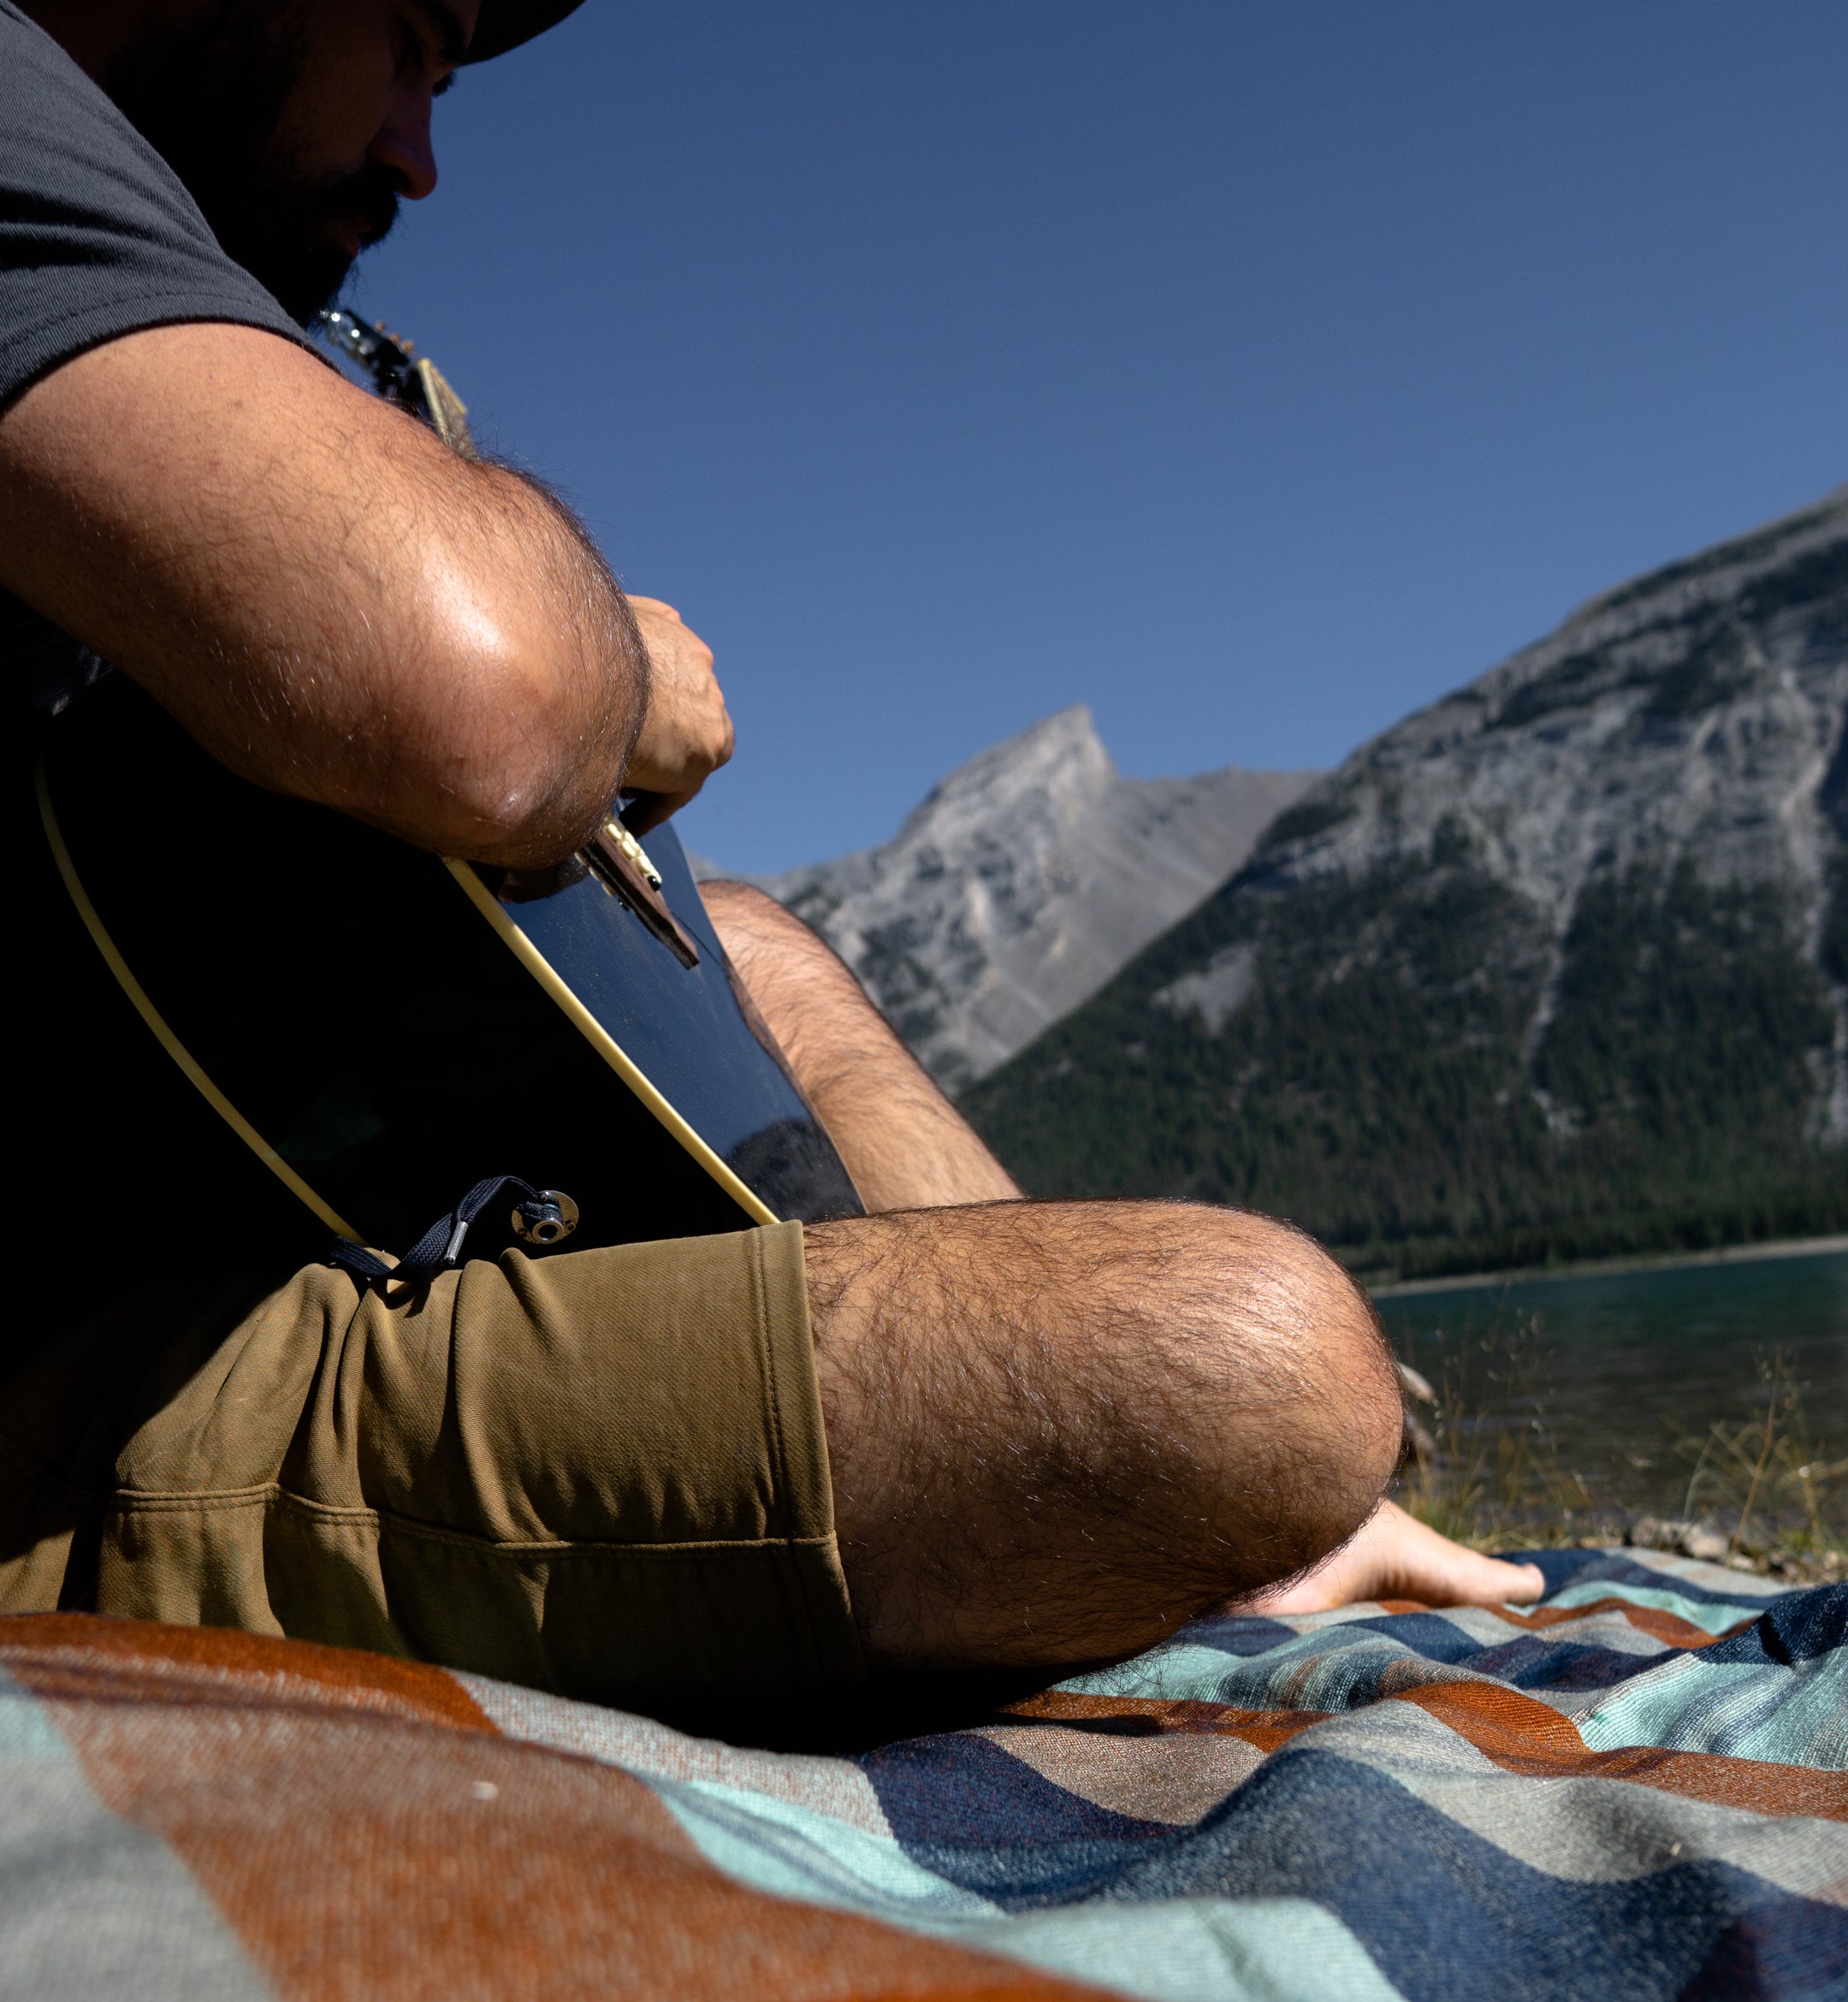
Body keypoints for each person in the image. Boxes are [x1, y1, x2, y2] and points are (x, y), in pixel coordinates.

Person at [0, 0, 1539, 1715]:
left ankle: (1146, 1490)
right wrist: (630, 679)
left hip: (236, 1210)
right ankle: (1173, 1487)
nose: (423, 153)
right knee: (1271, 1365)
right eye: (413, 34)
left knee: (767, 952)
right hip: (80, 1386)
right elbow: (484, 700)